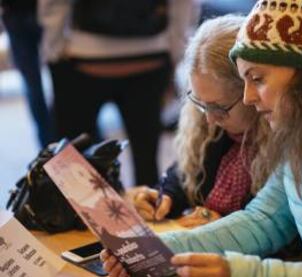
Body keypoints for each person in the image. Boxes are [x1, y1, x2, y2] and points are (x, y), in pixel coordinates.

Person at [102, 0, 302, 276]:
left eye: (257, 79)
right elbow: (262, 222)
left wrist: (240, 270)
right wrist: (150, 247)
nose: (249, 97)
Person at [131, 15, 272, 228]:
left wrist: (224, 226)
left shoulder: (285, 146)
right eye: (200, 103)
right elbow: (186, 174)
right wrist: (164, 195)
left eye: (218, 107)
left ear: (252, 92)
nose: (209, 118)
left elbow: (281, 231)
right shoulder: (209, 128)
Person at [38, 0, 200, 185]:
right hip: (150, 55)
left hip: (83, 55)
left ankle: (80, 212)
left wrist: (54, 48)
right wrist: (175, 48)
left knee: (73, 160)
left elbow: (53, 5)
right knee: (146, 158)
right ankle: (148, 209)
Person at [0, 0, 55, 148]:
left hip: (39, 13)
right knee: (36, 86)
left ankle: (49, 143)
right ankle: (49, 144)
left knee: (40, 85)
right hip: (22, 15)